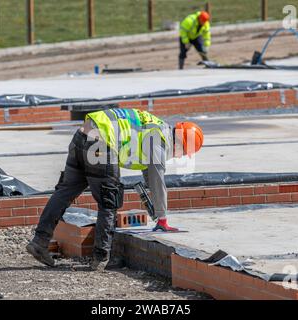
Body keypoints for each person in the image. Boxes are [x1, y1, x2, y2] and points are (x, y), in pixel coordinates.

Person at [26, 108, 204, 270]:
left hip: (82, 136)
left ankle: (39, 242)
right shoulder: (161, 137)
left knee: (64, 192)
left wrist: (155, 208)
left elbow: (149, 173)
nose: (179, 156)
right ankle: (101, 257)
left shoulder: (156, 127)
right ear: (180, 143)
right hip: (100, 143)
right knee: (109, 201)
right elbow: (157, 178)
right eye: (183, 153)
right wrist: (162, 218)